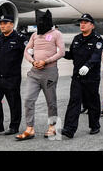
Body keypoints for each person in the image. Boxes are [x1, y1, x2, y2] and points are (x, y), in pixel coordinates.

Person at [16, 10, 65, 141]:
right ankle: (29, 128)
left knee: (51, 102)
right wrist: (33, 61)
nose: (40, 25)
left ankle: (52, 126)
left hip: (49, 72)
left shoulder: (56, 34)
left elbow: (62, 52)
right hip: (34, 72)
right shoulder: (34, 35)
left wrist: (46, 61)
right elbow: (26, 51)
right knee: (28, 100)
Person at [61, 14, 103, 138]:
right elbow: (72, 55)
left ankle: (95, 125)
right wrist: (61, 53)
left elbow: (96, 55)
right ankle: (69, 129)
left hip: (91, 78)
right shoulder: (77, 38)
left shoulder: (97, 39)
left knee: (92, 102)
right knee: (74, 101)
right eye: (81, 22)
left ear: (92, 25)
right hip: (77, 77)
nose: (82, 24)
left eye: (85, 22)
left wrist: (88, 66)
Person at [0, 15, 28, 137]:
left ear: (11, 24)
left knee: (14, 102)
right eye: (1, 24)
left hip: (12, 77)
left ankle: (14, 126)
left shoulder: (20, 38)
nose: (2, 26)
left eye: (5, 23)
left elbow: (30, 52)